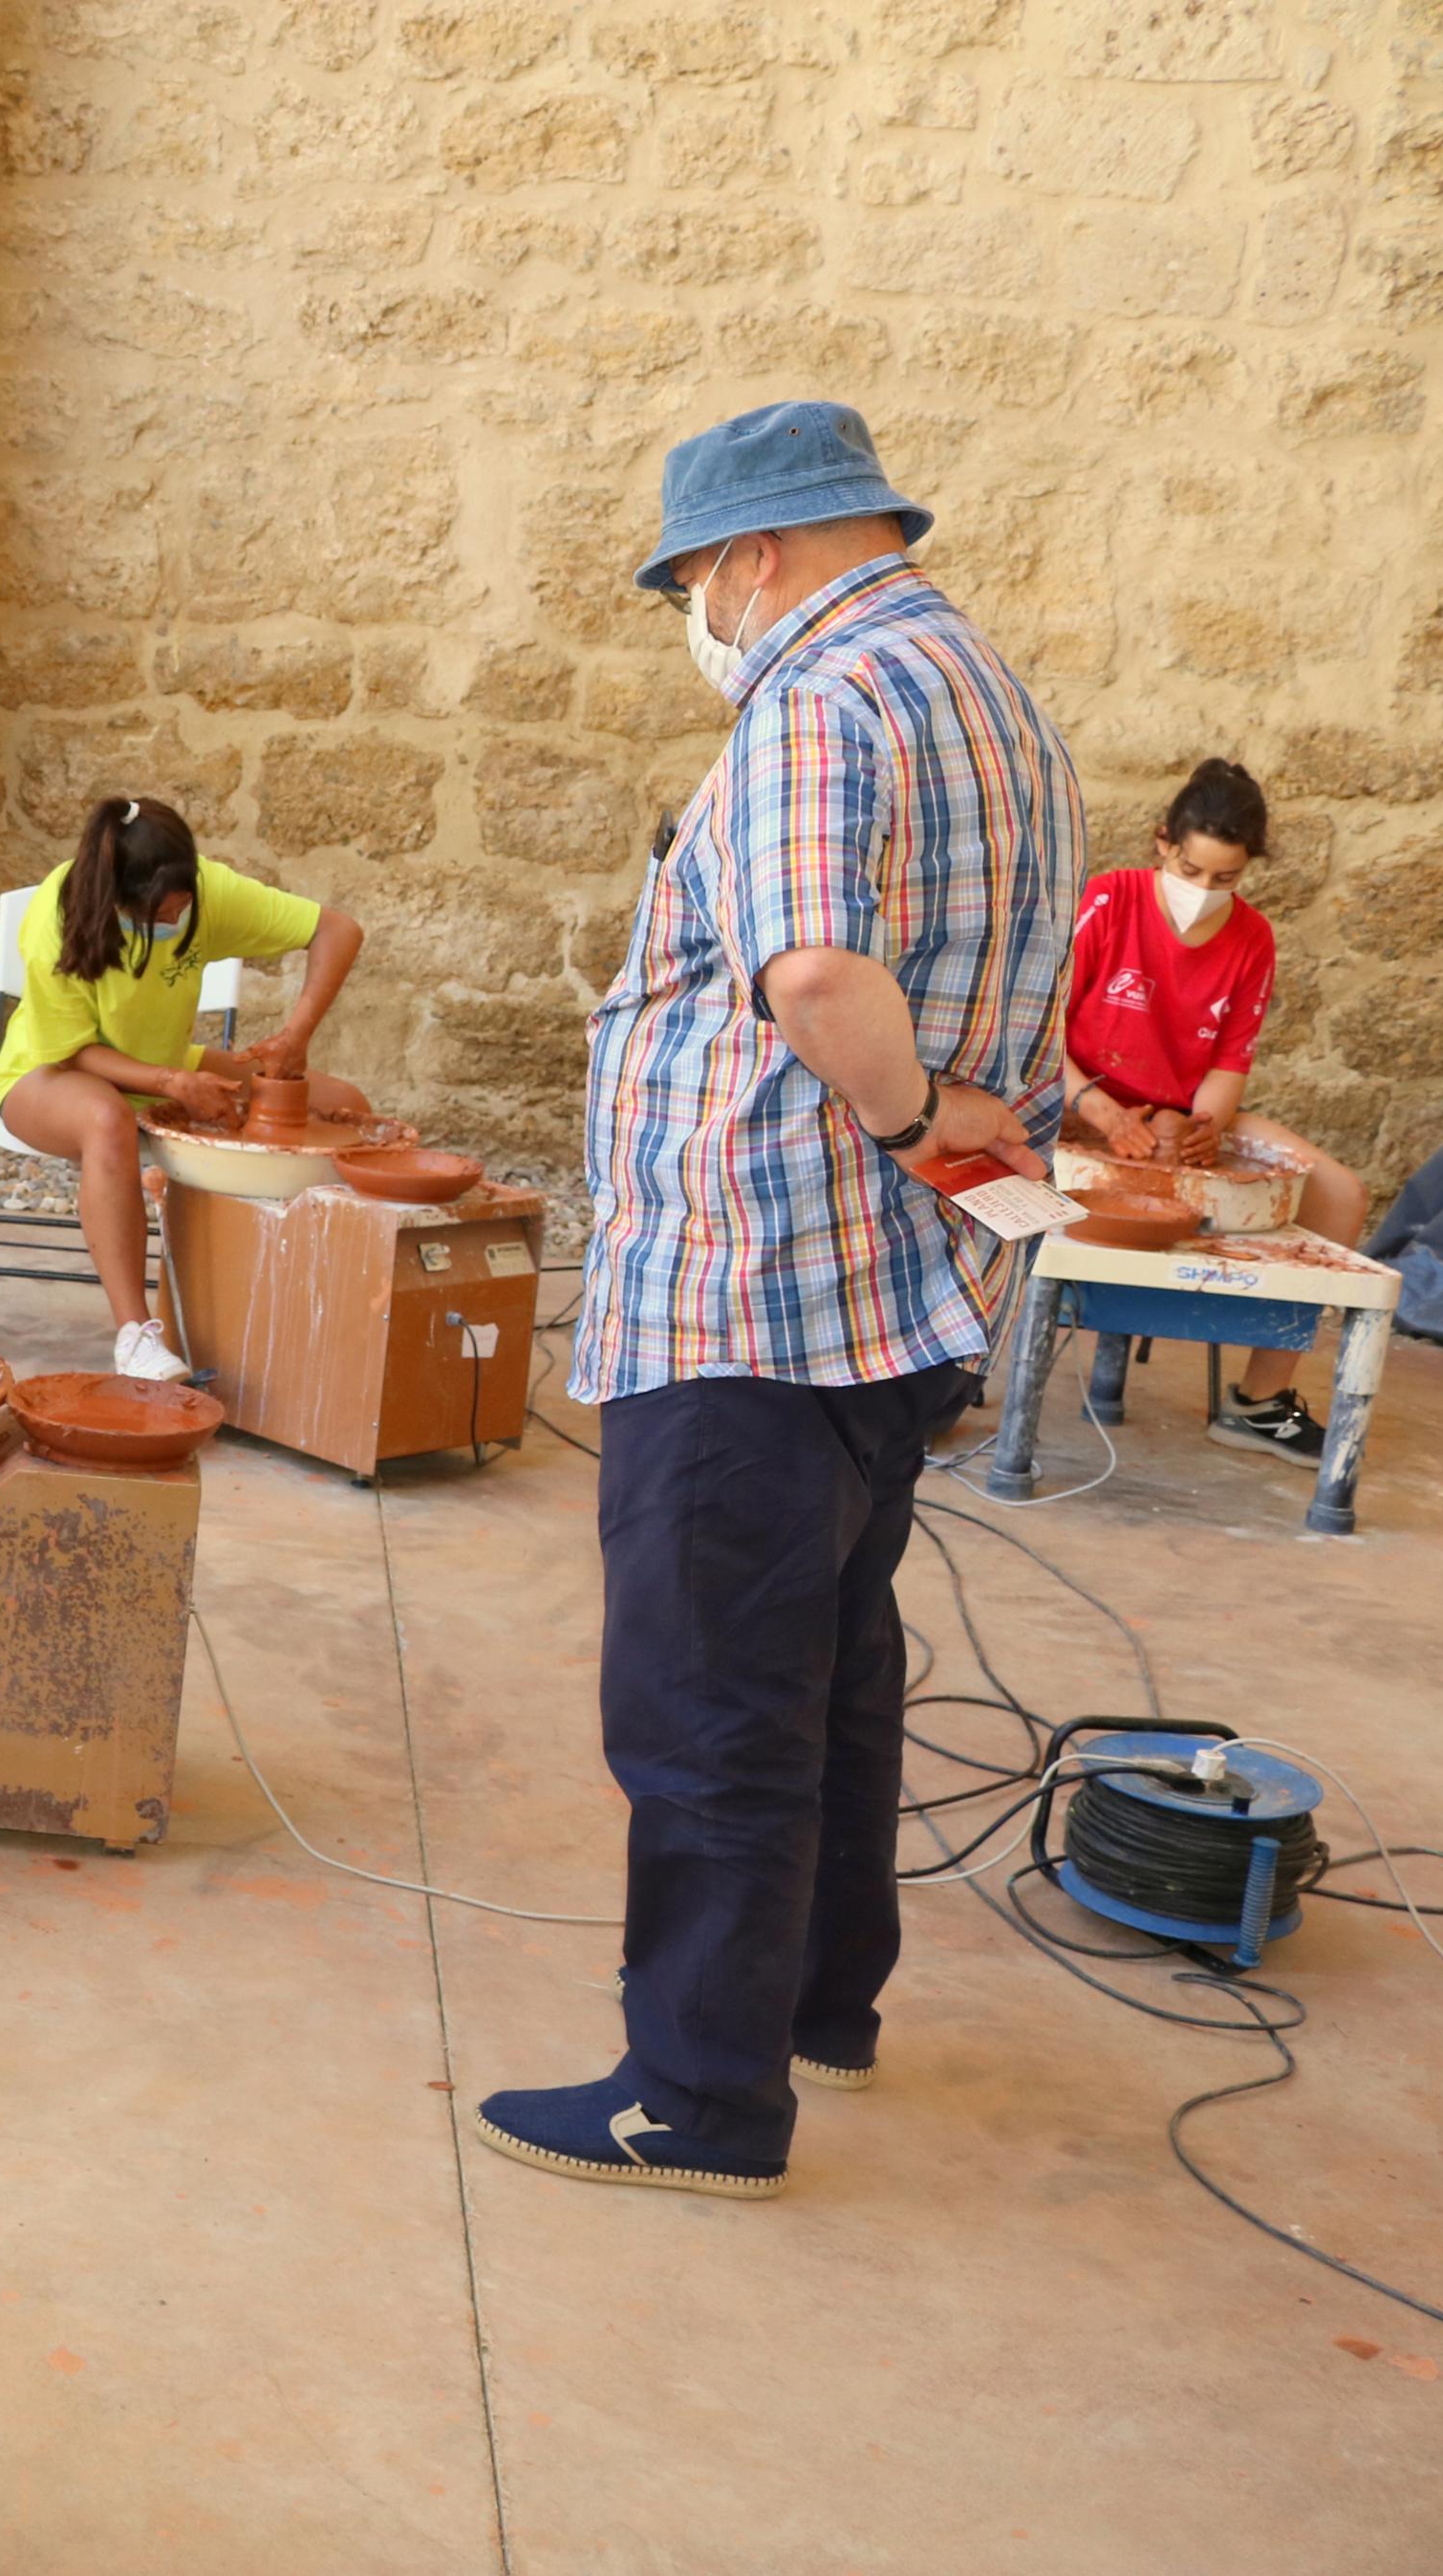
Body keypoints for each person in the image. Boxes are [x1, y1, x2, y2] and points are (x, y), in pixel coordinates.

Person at [476, 400, 1082, 2199]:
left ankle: (699, 2096)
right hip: (885, 1301)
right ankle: (823, 1998)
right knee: (829, 1666)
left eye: (692, 577)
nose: (696, 612)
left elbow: (813, 966)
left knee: (710, 1697)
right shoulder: (982, 685)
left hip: (751, 1281)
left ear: (752, 556)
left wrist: (903, 1110)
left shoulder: (810, 702)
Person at [0, 795, 368, 1378]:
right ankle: (135, 1337)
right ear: (116, 897)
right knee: (106, 1118)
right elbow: (74, 1050)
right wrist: (171, 1083)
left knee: (346, 1108)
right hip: (49, 1073)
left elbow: (338, 931)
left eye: (181, 911)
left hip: (162, 1065)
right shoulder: (59, 913)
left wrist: (297, 1035)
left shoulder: (209, 892)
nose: (172, 925)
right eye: (157, 917)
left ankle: (321, 1312)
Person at [1060, 758, 1363, 1463]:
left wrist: (1204, 1129)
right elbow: (1036, 1031)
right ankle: (944, 1372)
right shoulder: (1108, 901)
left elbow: (1229, 1062)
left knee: (1340, 1193)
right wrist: (1100, 1111)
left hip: (1172, 1116)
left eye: (1225, 879)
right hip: (1074, 1098)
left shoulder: (1251, 937)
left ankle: (1257, 1402)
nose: (1203, 892)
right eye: (1191, 871)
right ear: (1162, 842)